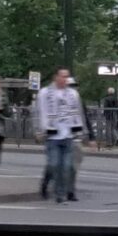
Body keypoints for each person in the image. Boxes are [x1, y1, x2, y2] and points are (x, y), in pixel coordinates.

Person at [38, 68, 83, 205]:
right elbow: (38, 112)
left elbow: (80, 113)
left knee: (67, 167)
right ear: (56, 77)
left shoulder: (73, 94)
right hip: (53, 136)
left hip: (68, 135)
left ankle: (60, 194)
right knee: (54, 165)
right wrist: (38, 130)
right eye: (62, 76)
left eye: (67, 77)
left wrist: (83, 132)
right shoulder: (45, 93)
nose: (65, 79)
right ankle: (48, 185)